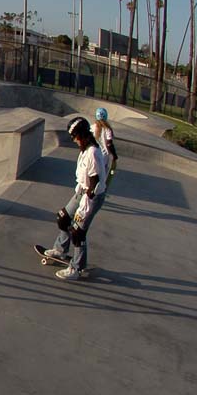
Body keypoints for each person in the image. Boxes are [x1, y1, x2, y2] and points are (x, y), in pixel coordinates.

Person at [44, 117, 106, 280]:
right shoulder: (85, 148)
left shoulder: (93, 153)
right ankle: (60, 250)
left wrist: (84, 207)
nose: (74, 140)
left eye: (75, 137)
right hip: (81, 192)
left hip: (91, 197)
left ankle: (76, 269)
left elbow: (95, 185)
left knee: (78, 232)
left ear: (84, 135)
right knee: (63, 218)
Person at [93, 107, 118, 188]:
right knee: (101, 177)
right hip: (103, 157)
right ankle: (98, 192)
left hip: (92, 155)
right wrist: (114, 155)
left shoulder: (92, 127)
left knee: (92, 174)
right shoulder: (108, 130)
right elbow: (109, 144)